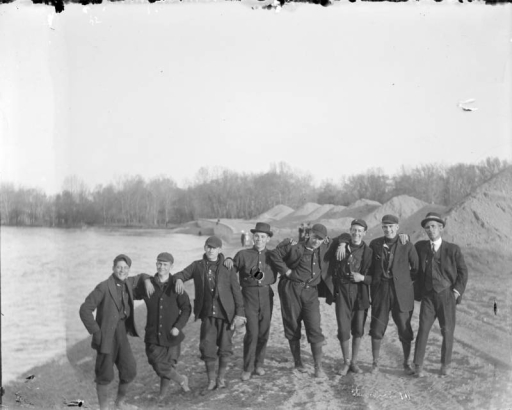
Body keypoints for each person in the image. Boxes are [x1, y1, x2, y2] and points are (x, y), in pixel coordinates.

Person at [338, 214, 419, 374]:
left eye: (391, 226)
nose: (388, 229)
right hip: (381, 292)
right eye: (385, 227)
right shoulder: (375, 244)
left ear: (397, 227)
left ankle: (406, 363)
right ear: (382, 228)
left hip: (401, 294)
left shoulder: (406, 244)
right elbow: (356, 241)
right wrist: (342, 242)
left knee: (404, 328)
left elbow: (415, 269)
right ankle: (375, 363)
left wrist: (403, 283)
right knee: (377, 327)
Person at [79, 254, 154, 410]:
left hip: (121, 334)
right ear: (113, 268)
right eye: (119, 267)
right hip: (105, 335)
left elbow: (142, 276)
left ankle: (119, 403)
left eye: (125, 268)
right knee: (104, 374)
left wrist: (147, 281)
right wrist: (95, 331)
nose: (122, 270)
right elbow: (85, 309)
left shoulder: (128, 282)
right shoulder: (104, 286)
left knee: (130, 369)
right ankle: (104, 408)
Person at [174, 236, 246, 390]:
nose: (210, 250)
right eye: (208, 247)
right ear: (204, 247)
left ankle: (220, 378)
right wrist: (179, 280)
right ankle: (211, 380)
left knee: (225, 347)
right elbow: (180, 274)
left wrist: (240, 313)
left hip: (227, 315)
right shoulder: (197, 265)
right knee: (207, 347)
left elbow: (236, 291)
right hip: (207, 315)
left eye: (214, 248)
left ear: (219, 249)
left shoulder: (228, 266)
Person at [269, 223, 336, 378]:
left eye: (320, 239)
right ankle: (298, 362)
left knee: (314, 326)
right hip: (291, 289)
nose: (316, 241)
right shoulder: (295, 247)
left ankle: (317, 367)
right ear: (309, 235)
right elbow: (274, 254)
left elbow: (343, 238)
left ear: (324, 239)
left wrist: (343, 243)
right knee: (292, 324)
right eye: (314, 237)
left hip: (311, 292)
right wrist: (286, 271)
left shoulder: (324, 247)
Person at [412, 212, 468, 377]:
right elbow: (410, 259)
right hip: (428, 297)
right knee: (423, 329)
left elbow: (463, 272)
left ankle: (445, 364)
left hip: (446, 296)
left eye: (434, 226)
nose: (430, 230)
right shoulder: (420, 247)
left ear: (441, 228)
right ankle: (418, 365)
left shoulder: (452, 249)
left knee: (447, 331)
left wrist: (456, 291)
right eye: (427, 227)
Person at [224, 222, 279, 381]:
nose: (259, 239)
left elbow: (290, 259)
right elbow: (231, 271)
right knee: (252, 333)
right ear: (252, 237)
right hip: (248, 297)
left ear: (268, 239)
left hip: (266, 296)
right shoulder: (243, 254)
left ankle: (259, 364)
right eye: (257, 236)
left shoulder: (273, 256)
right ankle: (247, 367)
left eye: (263, 237)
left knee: (263, 333)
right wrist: (227, 259)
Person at [134, 252, 192, 400]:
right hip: (153, 334)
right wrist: (144, 278)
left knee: (168, 365)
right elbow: (130, 293)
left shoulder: (176, 285)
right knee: (157, 363)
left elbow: (186, 308)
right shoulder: (148, 284)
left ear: (171, 266)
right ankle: (181, 379)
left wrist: (178, 327)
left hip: (172, 334)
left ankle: (162, 395)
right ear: (156, 264)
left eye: (165, 264)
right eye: (159, 263)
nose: (161, 267)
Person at [329, 219, 373, 375]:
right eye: (354, 230)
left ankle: (354, 362)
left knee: (358, 328)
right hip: (342, 291)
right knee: (343, 328)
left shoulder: (368, 252)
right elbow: (334, 238)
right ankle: (346, 362)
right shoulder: (341, 246)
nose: (356, 233)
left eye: (360, 231)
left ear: (364, 233)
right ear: (350, 231)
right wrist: (342, 242)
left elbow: (375, 277)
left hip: (360, 292)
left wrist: (363, 278)